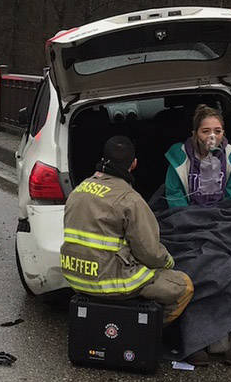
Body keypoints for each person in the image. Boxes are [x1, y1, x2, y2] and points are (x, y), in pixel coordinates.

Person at [61, 134, 193, 323]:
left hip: (76, 279)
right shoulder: (130, 199)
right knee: (183, 285)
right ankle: (142, 334)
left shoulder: (78, 190)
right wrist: (168, 263)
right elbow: (150, 253)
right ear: (134, 164)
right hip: (111, 285)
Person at [162, 104, 231, 365]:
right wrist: (196, 225)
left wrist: (212, 227)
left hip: (226, 224)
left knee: (229, 259)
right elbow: (174, 198)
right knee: (188, 261)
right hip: (186, 225)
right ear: (195, 133)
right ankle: (194, 336)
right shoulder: (178, 159)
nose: (211, 137)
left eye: (217, 130)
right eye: (205, 131)